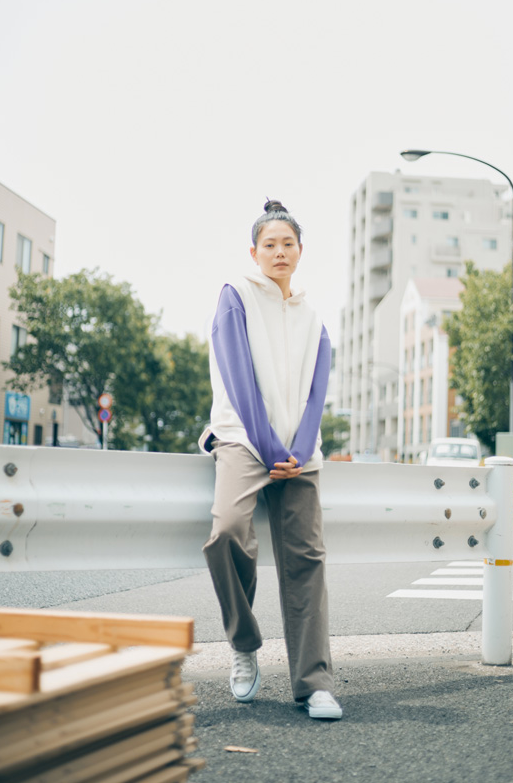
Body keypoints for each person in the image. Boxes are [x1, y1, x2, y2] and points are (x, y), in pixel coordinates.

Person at [199, 199, 342, 720]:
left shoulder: (314, 315)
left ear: (300, 251)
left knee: (306, 560)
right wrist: (268, 446)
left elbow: (318, 391)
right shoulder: (235, 296)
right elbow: (237, 377)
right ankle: (243, 643)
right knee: (227, 531)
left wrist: (299, 451)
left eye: (288, 244)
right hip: (243, 438)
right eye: (269, 244)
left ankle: (315, 684)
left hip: (298, 453)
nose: (279, 252)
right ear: (254, 252)